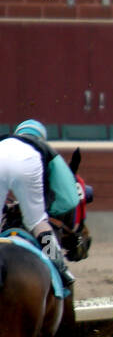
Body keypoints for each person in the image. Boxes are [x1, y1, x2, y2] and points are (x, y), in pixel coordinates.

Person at [0, 119, 81, 288]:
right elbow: (70, 197)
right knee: (37, 222)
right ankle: (60, 268)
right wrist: (47, 209)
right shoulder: (45, 149)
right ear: (41, 138)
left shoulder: (5, 140)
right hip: (29, 162)